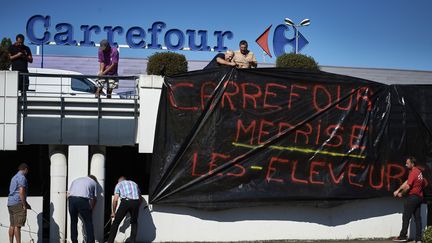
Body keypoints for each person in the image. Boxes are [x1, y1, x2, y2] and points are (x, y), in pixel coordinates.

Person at [393, 156, 425, 243]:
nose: (406, 165)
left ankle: (403, 236)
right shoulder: (418, 172)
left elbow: (408, 186)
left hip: (413, 197)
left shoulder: (413, 172)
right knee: (417, 218)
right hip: (419, 197)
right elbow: (407, 181)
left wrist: (401, 193)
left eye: (407, 163)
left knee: (406, 217)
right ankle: (419, 239)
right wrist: (398, 190)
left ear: (412, 163)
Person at [107, 176, 144, 243]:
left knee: (116, 222)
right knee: (134, 222)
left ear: (119, 181)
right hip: (136, 202)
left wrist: (113, 212)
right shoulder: (134, 183)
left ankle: (110, 241)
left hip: (125, 202)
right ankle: (132, 241)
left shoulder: (119, 184)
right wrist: (137, 205)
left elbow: (115, 199)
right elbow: (140, 197)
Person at [68, 175, 98, 243]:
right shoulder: (93, 182)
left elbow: (68, 194)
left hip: (71, 200)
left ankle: (74, 241)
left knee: (73, 222)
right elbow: (95, 198)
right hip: (82, 200)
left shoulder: (76, 179)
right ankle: (90, 241)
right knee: (88, 222)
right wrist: (91, 209)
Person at [7, 163, 30, 243]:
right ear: (26, 169)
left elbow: (15, 192)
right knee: (17, 226)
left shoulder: (14, 177)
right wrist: (24, 205)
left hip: (10, 203)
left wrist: (26, 204)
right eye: (27, 170)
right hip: (18, 204)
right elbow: (21, 192)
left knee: (12, 225)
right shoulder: (22, 177)